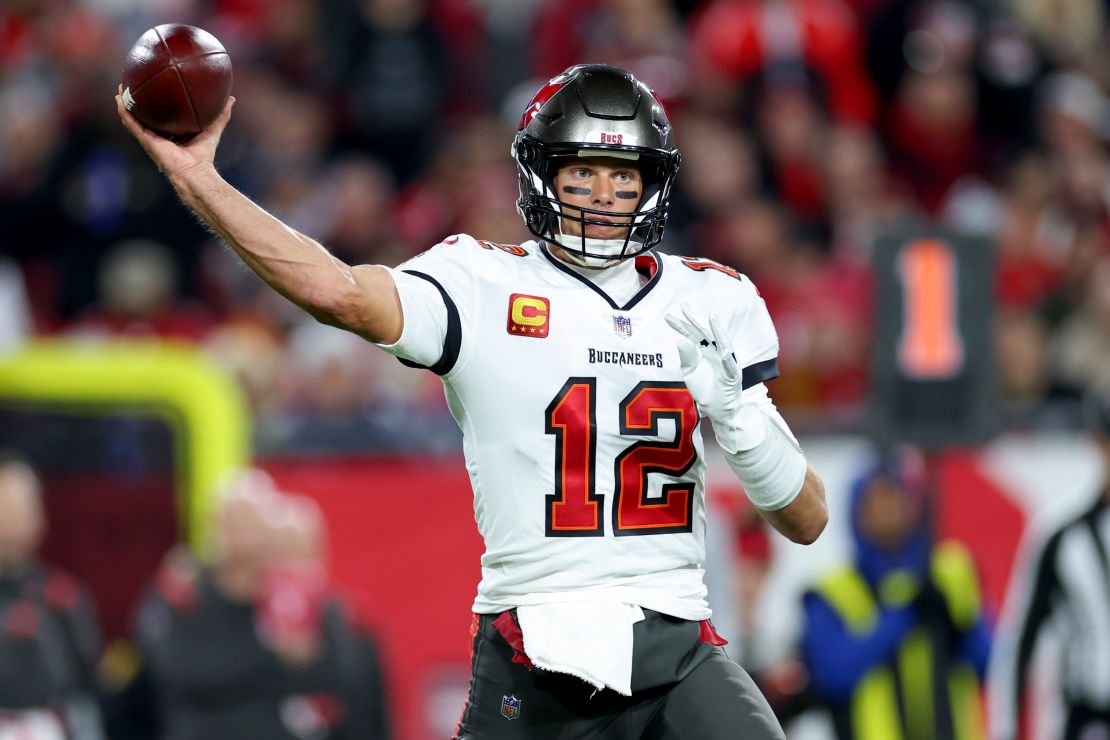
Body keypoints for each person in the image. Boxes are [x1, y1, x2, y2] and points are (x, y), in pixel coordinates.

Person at [116, 63, 828, 739]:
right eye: (583, 170)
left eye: (624, 173)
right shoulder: (481, 283)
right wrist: (199, 180)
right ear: (541, 174)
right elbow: (337, 292)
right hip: (537, 642)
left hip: (678, 642)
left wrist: (738, 412)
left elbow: (805, 520)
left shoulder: (712, 298)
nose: (606, 192)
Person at [120, 470, 391, 740]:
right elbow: (179, 671)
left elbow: (344, 684)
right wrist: (279, 662)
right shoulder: (182, 594)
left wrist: (307, 658)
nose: (246, 538)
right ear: (215, 528)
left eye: (255, 526)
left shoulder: (294, 603)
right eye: (236, 524)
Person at [800, 458, 991, 740]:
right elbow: (833, 674)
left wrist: (958, 626)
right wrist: (906, 614)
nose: (888, 511)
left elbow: (990, 662)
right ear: (856, 511)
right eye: (876, 501)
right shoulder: (831, 591)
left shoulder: (950, 573)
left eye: (896, 498)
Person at [988, 388, 1110, 740]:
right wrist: (1006, 731)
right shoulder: (1062, 537)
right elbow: (1018, 644)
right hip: (1089, 718)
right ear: (1096, 443)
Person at [0, 452, 105, 740]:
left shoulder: (63, 596)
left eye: (18, 507)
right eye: (2, 506)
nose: (8, 520)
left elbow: (90, 685)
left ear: (39, 517)